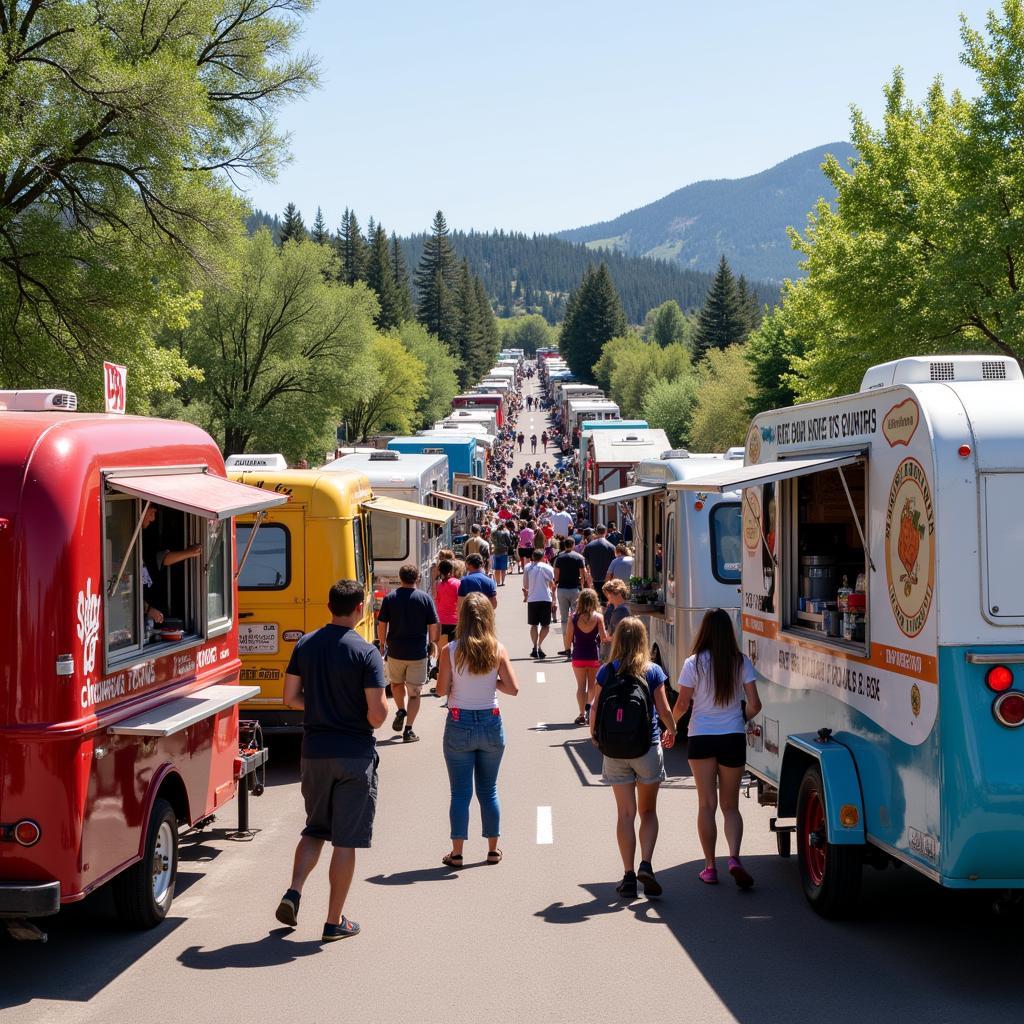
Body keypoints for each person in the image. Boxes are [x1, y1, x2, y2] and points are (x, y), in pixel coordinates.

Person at [277, 580, 389, 941]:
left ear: (329, 607)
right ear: (360, 609)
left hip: (315, 753)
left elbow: (290, 698)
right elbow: (377, 715)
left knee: (314, 829)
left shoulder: (306, 644)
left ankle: (293, 891)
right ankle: (333, 921)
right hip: (354, 755)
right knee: (345, 841)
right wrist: (356, 708)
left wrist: (322, 705)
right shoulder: (366, 653)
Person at [673, 608, 762, 889]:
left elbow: (683, 704)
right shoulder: (741, 662)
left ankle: (710, 867)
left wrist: (670, 725)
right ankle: (734, 858)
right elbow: (756, 704)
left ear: (705, 631)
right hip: (732, 736)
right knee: (730, 806)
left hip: (701, 737)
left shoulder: (693, 663)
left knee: (706, 804)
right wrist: (740, 718)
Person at [590, 616, 676, 901]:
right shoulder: (652, 671)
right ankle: (646, 865)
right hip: (646, 746)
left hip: (614, 750)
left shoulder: (606, 671)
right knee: (648, 812)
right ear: (642, 639)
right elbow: (663, 711)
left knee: (625, 814)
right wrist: (672, 730)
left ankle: (628, 876)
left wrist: (595, 736)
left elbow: (595, 708)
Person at [435, 593, 519, 867]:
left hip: (459, 722)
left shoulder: (451, 649)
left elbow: (439, 690)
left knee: (460, 793)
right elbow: (513, 688)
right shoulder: (497, 648)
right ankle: (493, 849)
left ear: (462, 618)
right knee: (489, 790)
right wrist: (490, 683)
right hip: (491, 721)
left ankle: (457, 852)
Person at [376, 564, 440, 744]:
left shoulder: (391, 598)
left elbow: (382, 623)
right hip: (417, 653)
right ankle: (409, 729)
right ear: (417, 578)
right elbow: (433, 625)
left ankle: (400, 710)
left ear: (401, 577)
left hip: (395, 651)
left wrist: (382, 643)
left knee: (396, 684)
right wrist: (432, 642)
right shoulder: (425, 598)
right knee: (414, 693)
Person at [141, 506, 203, 626]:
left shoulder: (147, 536)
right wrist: (190, 552)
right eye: (151, 512)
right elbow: (164, 559)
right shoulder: (132, 539)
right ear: (140, 510)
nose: (153, 519)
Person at [566, 588, 608, 725]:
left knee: (580, 686)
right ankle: (590, 712)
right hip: (593, 655)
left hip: (578, 655)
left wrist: (567, 649)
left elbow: (568, 637)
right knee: (592, 686)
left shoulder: (573, 617)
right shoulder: (599, 617)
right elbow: (603, 638)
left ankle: (581, 714)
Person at [553, 537, 587, 656]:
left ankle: (567, 647)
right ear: (573, 545)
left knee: (564, 619)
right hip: (575, 589)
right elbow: (583, 574)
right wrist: (582, 586)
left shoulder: (560, 557)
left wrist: (557, 582)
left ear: (564, 545)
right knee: (576, 617)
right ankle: (576, 645)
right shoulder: (578, 557)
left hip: (562, 589)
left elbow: (556, 575)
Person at [522, 549, 555, 659]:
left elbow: (525, 585)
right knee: (546, 625)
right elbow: (552, 584)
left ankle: (534, 647)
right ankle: (539, 645)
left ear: (532, 556)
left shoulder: (527, 567)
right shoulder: (548, 567)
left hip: (532, 598)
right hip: (545, 598)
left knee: (534, 624)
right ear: (543, 557)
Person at [600, 579, 632, 662]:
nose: (608, 597)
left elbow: (619, 632)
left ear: (617, 593)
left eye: (609, 594)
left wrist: (608, 638)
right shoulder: (622, 607)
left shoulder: (621, 610)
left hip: (618, 650)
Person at [584, 524, 616, 602]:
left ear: (596, 532)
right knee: (607, 602)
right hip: (607, 579)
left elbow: (585, 562)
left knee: (596, 602)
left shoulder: (589, 546)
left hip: (594, 578)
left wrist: (588, 576)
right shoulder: (611, 547)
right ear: (605, 532)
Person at [434, 558, 460, 652]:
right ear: (452, 570)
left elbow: (436, 601)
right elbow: (460, 601)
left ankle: (440, 664)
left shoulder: (438, 585)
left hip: (441, 620)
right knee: (455, 649)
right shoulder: (457, 583)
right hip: (455, 619)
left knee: (442, 649)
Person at [490, 520, 513, 587]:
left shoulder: (493, 533)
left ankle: (498, 582)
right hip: (504, 551)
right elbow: (509, 543)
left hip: (496, 551)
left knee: (497, 568)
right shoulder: (505, 533)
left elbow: (491, 540)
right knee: (503, 568)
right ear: (503, 527)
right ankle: (502, 582)